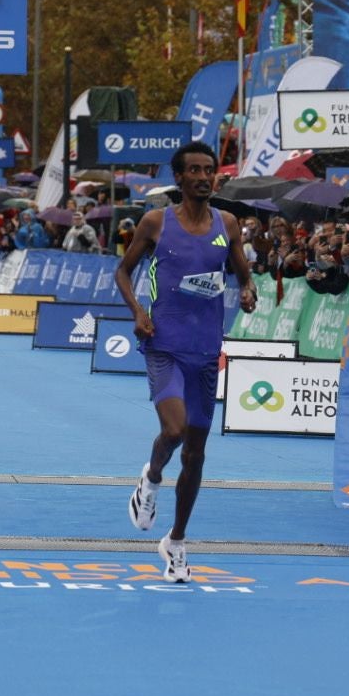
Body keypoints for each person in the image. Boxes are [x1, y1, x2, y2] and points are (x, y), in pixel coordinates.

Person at [116, 141, 257, 583]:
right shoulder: (156, 222)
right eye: (193, 170)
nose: (202, 176)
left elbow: (242, 273)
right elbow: (123, 271)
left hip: (205, 350)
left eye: (208, 170)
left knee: (196, 454)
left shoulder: (228, 224)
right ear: (178, 178)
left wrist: (249, 291)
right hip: (164, 344)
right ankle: (151, 477)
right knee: (174, 429)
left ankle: (175, 541)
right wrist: (139, 313)